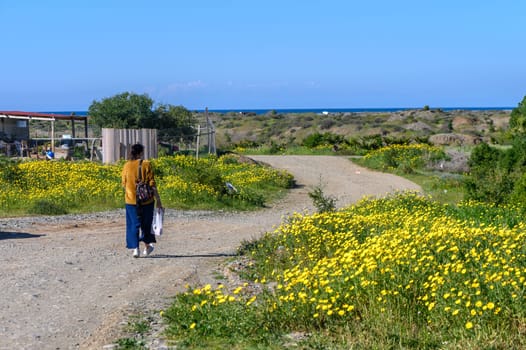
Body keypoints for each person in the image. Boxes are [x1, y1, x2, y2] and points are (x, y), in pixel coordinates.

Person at [121, 143, 163, 258]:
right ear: (141, 153)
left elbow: (123, 184)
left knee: (133, 224)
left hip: (131, 201)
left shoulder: (126, 166)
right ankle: (147, 246)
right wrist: (158, 200)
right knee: (146, 224)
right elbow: (152, 183)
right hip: (147, 201)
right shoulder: (146, 164)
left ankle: (136, 249)